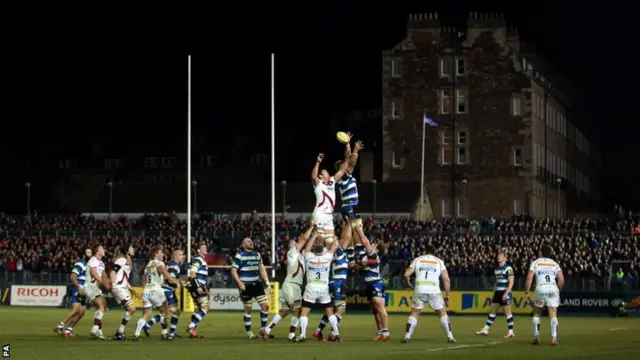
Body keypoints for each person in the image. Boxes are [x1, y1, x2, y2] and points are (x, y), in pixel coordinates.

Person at [263, 223, 316, 341]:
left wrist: (314, 237)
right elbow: (303, 239)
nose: (295, 244)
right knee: (298, 309)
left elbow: (306, 245)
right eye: (293, 243)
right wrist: (312, 228)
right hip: (292, 285)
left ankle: (267, 329)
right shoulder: (292, 252)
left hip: (292, 285)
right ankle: (291, 334)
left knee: (285, 310)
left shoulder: (301, 256)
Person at [401, 244, 455, 343]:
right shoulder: (439, 261)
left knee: (414, 312)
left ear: (425, 252)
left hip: (419, 289)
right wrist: (447, 295)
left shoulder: (417, 260)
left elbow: (406, 274)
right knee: (442, 312)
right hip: (434, 290)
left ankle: (407, 336)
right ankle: (450, 336)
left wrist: (408, 283)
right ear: (434, 252)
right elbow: (446, 279)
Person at [295, 238, 342, 342]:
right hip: (323, 288)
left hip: (311, 287)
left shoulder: (308, 257)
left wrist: (314, 236)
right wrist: (333, 237)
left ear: (314, 250)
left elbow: (307, 248)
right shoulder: (328, 257)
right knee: (330, 312)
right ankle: (337, 334)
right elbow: (334, 246)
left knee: (304, 312)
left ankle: (302, 335)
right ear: (322, 250)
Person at [313, 224, 353, 341]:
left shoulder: (329, 253)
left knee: (331, 310)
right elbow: (346, 238)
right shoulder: (338, 251)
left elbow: (345, 240)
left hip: (333, 282)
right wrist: (348, 224)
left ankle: (318, 331)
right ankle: (333, 333)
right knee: (341, 310)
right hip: (339, 282)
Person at [133, 247, 181, 341]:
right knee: (165, 312)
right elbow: (162, 271)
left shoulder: (148, 265)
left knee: (145, 314)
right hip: (156, 289)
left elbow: (144, 276)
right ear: (155, 254)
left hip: (147, 290)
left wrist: (144, 286)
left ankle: (136, 334)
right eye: (161, 253)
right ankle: (164, 334)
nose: (162, 254)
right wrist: (174, 281)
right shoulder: (158, 263)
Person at [231, 238, 272, 339]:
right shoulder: (240, 256)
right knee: (248, 310)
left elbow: (262, 269)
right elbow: (233, 270)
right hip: (246, 285)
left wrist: (267, 282)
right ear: (243, 245)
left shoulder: (257, 255)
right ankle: (249, 332)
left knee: (266, 306)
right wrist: (240, 283)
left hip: (256, 284)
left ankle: (263, 329)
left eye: (251, 241)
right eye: (248, 241)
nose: (251, 242)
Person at [525, 244, 565, 346]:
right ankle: (554, 339)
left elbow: (529, 277)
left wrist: (527, 292)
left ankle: (536, 337)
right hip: (552, 288)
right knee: (553, 314)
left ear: (541, 252)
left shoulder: (535, 263)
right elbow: (561, 280)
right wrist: (558, 291)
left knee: (537, 313)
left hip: (541, 288)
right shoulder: (554, 264)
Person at [144, 249, 184, 338]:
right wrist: (179, 282)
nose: (182, 256)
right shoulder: (174, 266)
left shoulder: (171, 264)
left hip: (166, 290)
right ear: (175, 256)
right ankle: (170, 333)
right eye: (180, 254)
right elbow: (170, 279)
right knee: (173, 311)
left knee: (170, 312)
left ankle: (148, 325)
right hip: (168, 290)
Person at [476, 250, 516, 338]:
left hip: (505, 291)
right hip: (498, 292)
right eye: (498, 255)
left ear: (505, 258)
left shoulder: (508, 268)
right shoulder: (496, 269)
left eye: (501, 255)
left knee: (507, 312)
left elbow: (511, 281)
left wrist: (507, 293)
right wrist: (494, 293)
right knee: (492, 311)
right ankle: (485, 329)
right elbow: (497, 282)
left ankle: (510, 331)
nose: (498, 257)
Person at [311, 153, 348, 245]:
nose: (328, 174)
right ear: (321, 176)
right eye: (326, 173)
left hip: (329, 215)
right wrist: (318, 162)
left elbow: (342, 171)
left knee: (331, 241)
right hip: (320, 213)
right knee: (319, 240)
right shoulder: (318, 183)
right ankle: (315, 258)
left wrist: (347, 159)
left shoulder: (332, 181)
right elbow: (313, 176)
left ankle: (327, 259)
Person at [54, 247, 92, 337]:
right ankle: (60, 325)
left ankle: (68, 330)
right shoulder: (80, 263)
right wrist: (79, 288)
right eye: (88, 252)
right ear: (84, 254)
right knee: (76, 309)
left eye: (91, 252)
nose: (90, 254)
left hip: (84, 289)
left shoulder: (88, 264)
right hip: (78, 288)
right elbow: (73, 276)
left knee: (82, 312)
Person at [358, 234, 389, 341]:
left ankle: (386, 331)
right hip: (369, 285)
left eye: (372, 244)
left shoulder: (374, 257)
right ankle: (380, 331)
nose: (369, 245)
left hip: (376, 284)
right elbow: (362, 265)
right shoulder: (369, 256)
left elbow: (362, 261)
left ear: (376, 248)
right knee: (374, 310)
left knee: (380, 308)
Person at [84, 244, 111, 340]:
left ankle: (99, 331)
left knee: (103, 307)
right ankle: (94, 329)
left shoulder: (101, 263)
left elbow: (104, 276)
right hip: (90, 286)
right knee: (101, 306)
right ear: (97, 251)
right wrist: (102, 283)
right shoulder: (93, 260)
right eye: (102, 248)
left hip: (95, 287)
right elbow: (94, 273)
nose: (104, 250)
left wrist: (109, 285)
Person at [111, 244, 137, 340]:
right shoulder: (121, 260)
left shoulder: (127, 261)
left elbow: (123, 277)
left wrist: (130, 287)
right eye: (131, 248)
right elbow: (112, 272)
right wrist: (114, 286)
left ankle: (120, 332)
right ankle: (119, 332)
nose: (133, 249)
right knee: (132, 308)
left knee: (131, 309)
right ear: (127, 251)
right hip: (119, 288)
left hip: (123, 288)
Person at [185, 244, 210, 338]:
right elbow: (192, 273)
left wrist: (206, 290)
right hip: (197, 286)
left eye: (205, 247)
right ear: (199, 250)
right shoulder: (198, 259)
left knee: (198, 309)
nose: (205, 248)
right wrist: (198, 286)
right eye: (202, 247)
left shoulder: (202, 260)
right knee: (205, 308)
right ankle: (191, 326)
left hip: (197, 286)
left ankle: (193, 332)